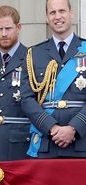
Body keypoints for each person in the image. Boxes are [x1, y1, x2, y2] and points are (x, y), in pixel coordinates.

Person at [20, 0, 86, 158]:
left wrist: (74, 128)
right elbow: (26, 98)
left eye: (62, 11)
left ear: (71, 13)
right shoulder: (34, 54)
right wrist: (52, 128)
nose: (58, 16)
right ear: (46, 17)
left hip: (82, 142)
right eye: (52, 12)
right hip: (47, 143)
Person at [0, 5, 31, 161]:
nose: (3, 34)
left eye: (8, 28)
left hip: (21, 146)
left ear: (18, 27)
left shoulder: (32, 59)